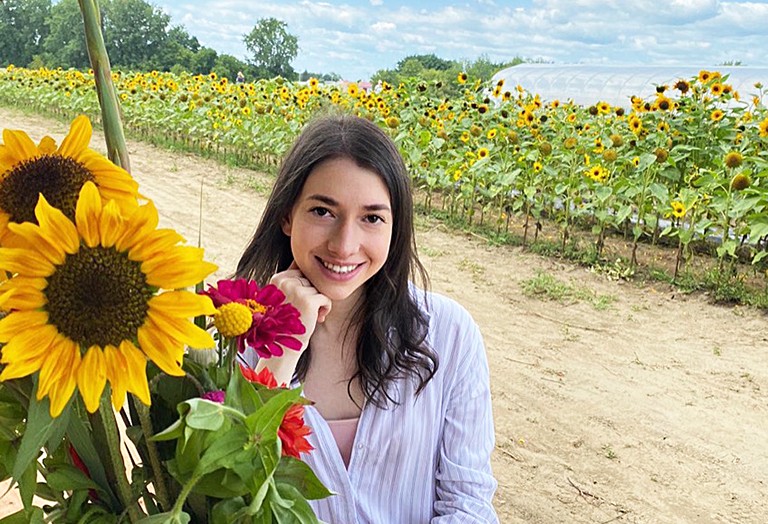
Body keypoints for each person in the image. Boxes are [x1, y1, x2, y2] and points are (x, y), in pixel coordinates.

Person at [236, 112, 498, 523]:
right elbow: (228, 495)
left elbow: (468, 505)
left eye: (372, 218)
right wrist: (279, 350)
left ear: (396, 229)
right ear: (287, 215)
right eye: (323, 211)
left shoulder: (449, 335)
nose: (345, 245)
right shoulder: (231, 338)